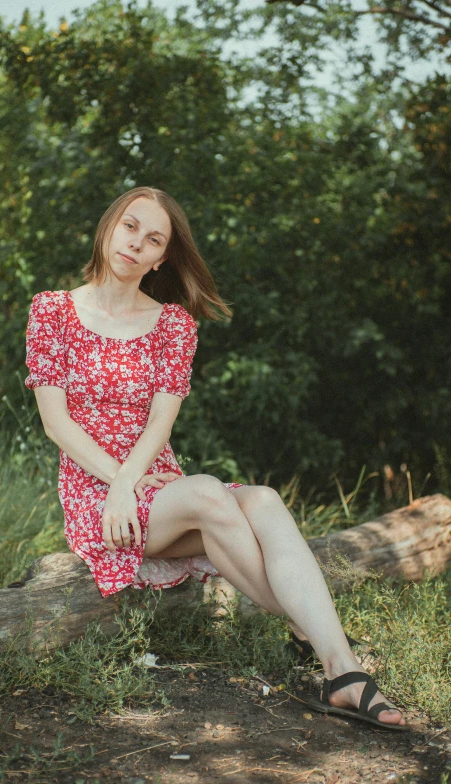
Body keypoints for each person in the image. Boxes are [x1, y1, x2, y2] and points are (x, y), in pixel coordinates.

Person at [25, 186, 406, 729]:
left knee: (265, 500)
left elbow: (162, 422)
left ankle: (341, 672)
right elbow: (55, 422)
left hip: (155, 483)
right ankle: (309, 627)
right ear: (109, 225)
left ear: (161, 258)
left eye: (153, 239)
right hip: (98, 495)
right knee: (208, 493)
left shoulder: (174, 325)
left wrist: (134, 480)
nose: (136, 243)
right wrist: (120, 485)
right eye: (130, 226)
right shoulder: (52, 310)